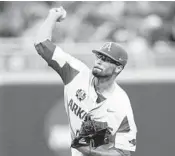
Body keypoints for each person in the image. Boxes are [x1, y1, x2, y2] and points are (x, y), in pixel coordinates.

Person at [34, 6, 137, 156]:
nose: (100, 61)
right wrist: (52, 16)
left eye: (107, 60)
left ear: (118, 69)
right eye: (100, 56)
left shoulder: (120, 103)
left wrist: (92, 152)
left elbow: (124, 152)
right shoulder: (76, 72)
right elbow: (42, 45)